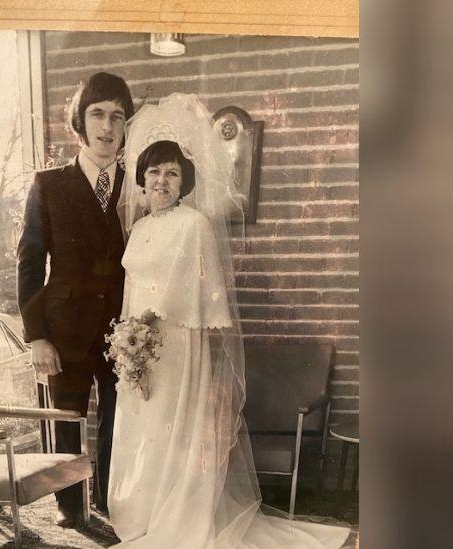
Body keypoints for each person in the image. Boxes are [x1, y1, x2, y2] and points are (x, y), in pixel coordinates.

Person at [107, 94, 350, 548]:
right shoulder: (139, 229)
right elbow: (133, 293)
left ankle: (179, 521)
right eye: (155, 172)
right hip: (140, 351)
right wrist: (127, 342)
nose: (162, 181)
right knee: (145, 434)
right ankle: (146, 515)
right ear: (141, 178)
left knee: (177, 435)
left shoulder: (194, 226)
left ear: (185, 182)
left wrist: (197, 362)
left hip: (180, 348)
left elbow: (208, 304)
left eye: (173, 173)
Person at [17, 72, 134, 527]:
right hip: (63, 330)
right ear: (80, 123)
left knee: (116, 422)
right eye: (98, 114)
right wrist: (36, 337)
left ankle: (108, 502)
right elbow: (30, 264)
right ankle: (71, 510)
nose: (108, 126)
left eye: (118, 116)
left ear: (127, 125)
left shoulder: (137, 185)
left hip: (123, 330)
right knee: (66, 421)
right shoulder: (49, 185)